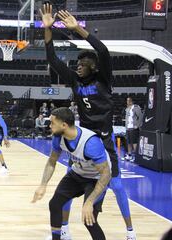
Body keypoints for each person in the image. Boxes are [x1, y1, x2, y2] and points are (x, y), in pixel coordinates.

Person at [40, 3, 136, 239]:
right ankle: (63, 229)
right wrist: (47, 30)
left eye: (83, 64)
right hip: (81, 137)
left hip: (103, 140)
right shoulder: (75, 80)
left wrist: (78, 30)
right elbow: (53, 59)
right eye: (78, 63)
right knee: (66, 187)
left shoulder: (103, 78)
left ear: (92, 66)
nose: (78, 66)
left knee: (116, 186)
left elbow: (102, 51)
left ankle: (130, 231)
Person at [32, 107, 111, 240]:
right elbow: (52, 161)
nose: (49, 125)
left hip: (96, 178)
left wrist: (89, 202)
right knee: (55, 204)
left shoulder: (90, 143)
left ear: (64, 125)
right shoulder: (58, 137)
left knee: (89, 220)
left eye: (52, 123)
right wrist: (43, 185)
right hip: (78, 173)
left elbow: (106, 174)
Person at [122, 97, 143, 162]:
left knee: (134, 142)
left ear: (132, 101)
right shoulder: (127, 108)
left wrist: (137, 125)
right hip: (128, 128)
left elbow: (141, 117)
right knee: (128, 142)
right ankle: (129, 155)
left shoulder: (136, 108)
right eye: (127, 100)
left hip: (134, 128)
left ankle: (136, 157)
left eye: (128, 100)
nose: (127, 102)